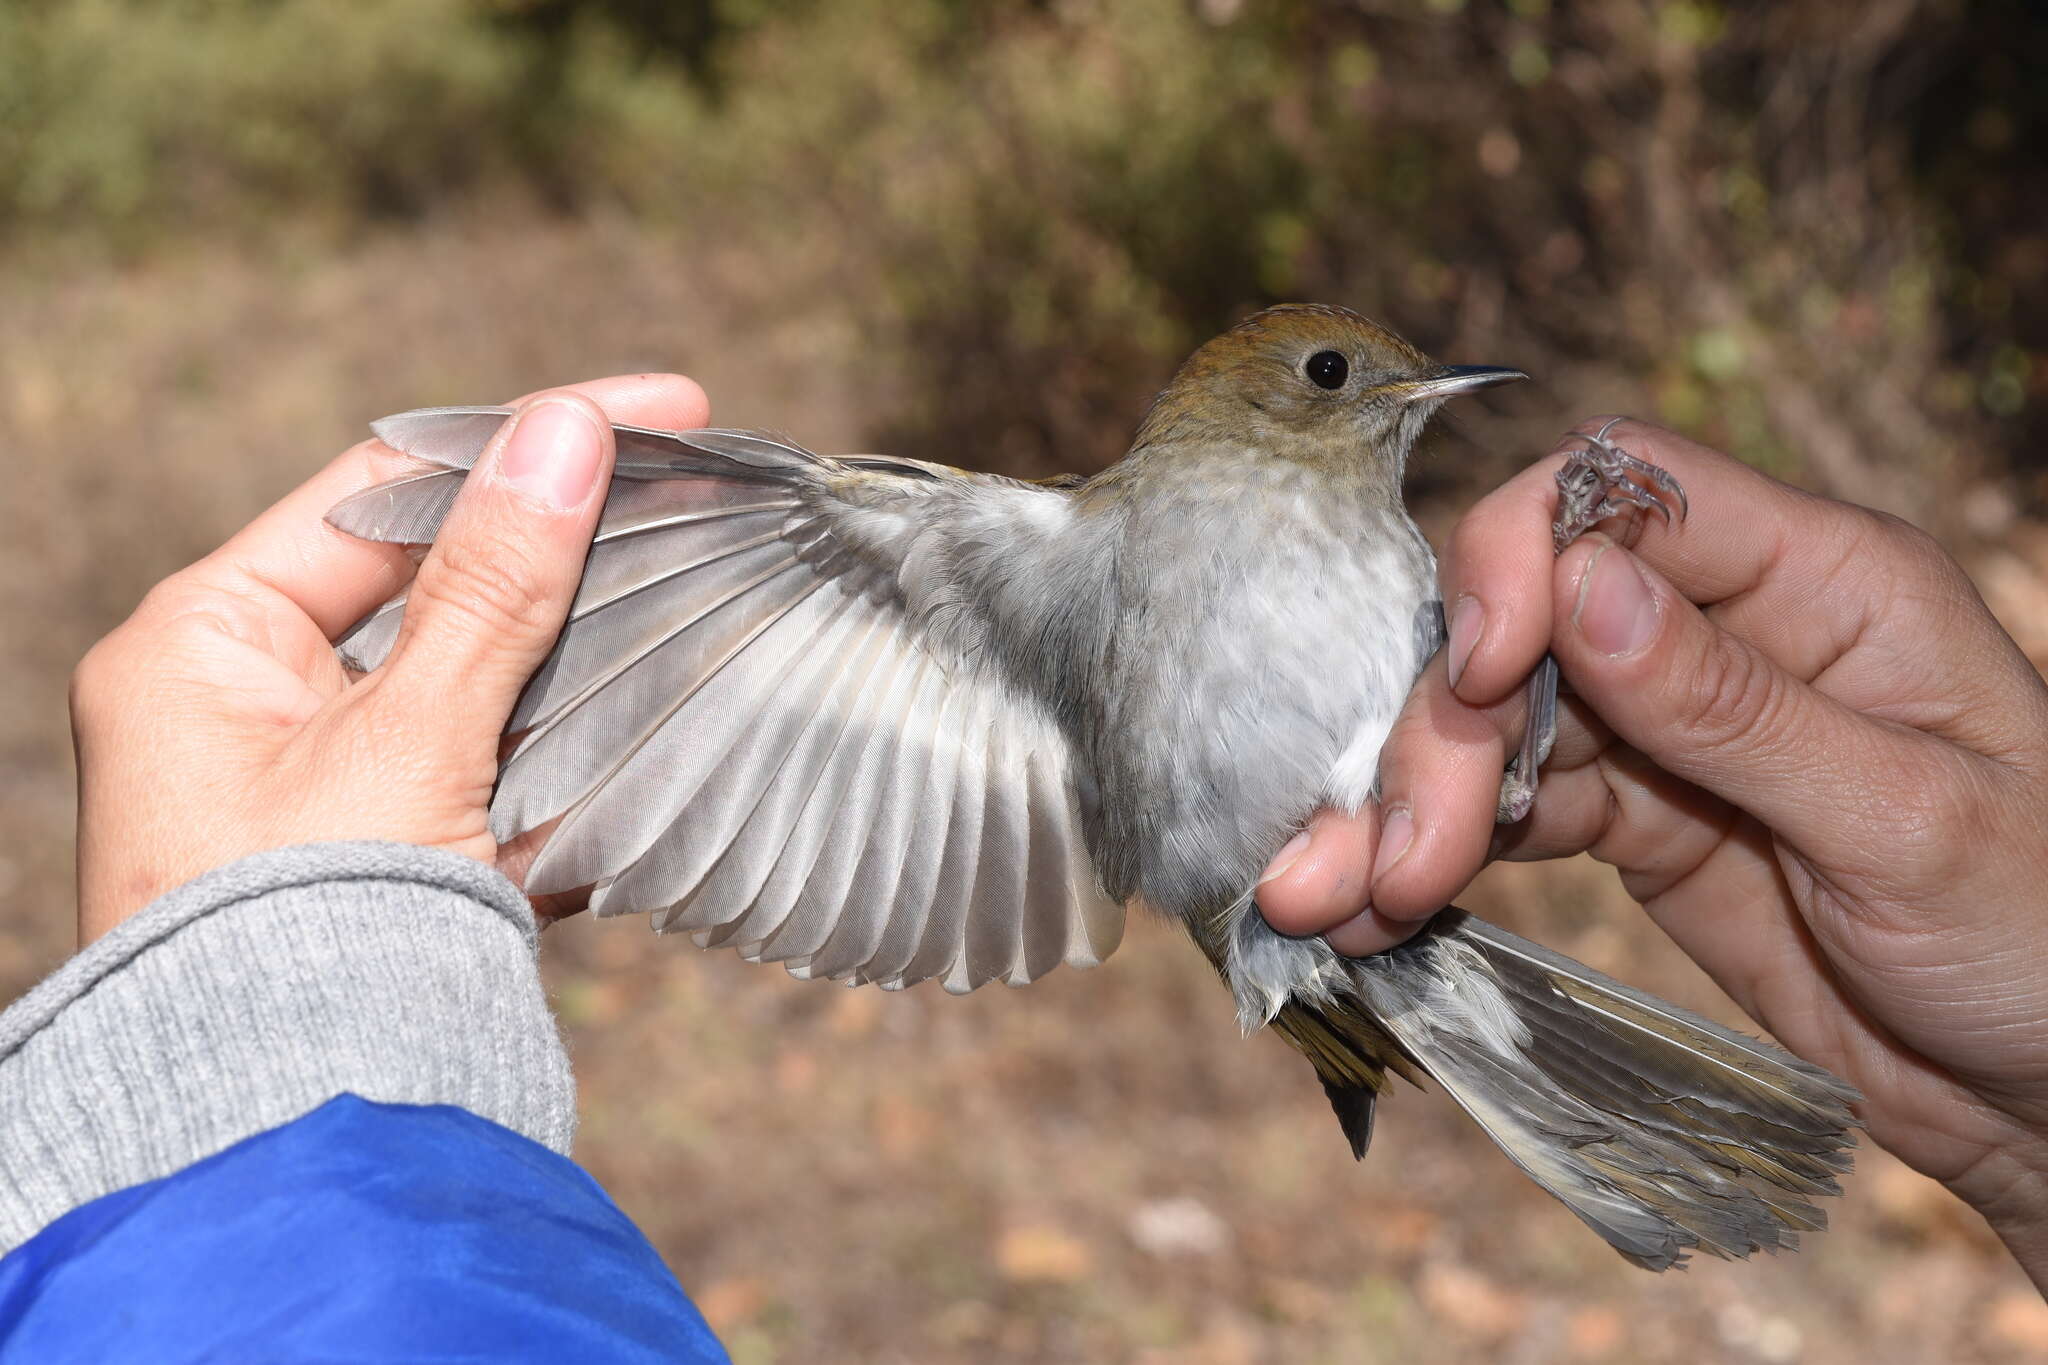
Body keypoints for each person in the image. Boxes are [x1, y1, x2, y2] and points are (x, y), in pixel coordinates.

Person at [0, 377, 2041, 1353]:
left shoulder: (1349, 550)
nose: (1389, 409)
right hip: (1292, 896)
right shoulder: (1041, 556)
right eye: (1343, 384)